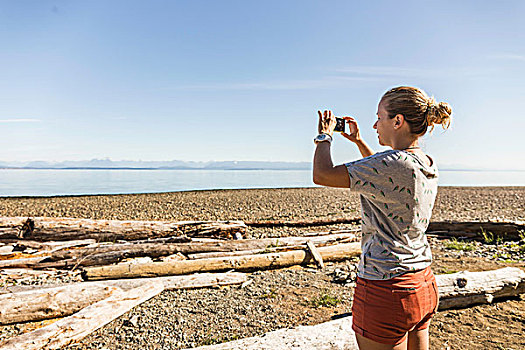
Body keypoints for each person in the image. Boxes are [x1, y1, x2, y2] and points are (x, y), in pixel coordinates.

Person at [312, 86, 452, 350]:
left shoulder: (391, 163)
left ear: (398, 121)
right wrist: (358, 142)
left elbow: (322, 174)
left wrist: (324, 136)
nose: (375, 124)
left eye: (380, 117)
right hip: (421, 281)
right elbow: (386, 175)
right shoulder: (424, 161)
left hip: (386, 287)